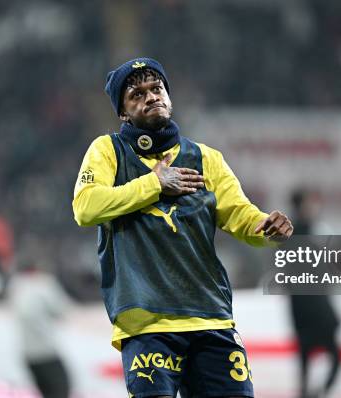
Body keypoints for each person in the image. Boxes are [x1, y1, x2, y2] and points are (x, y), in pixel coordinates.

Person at [72, 58, 293, 398]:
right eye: (136, 93)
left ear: (170, 98)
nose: (150, 96)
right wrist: (155, 184)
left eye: (156, 88)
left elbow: (240, 215)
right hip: (148, 325)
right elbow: (86, 208)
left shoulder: (206, 158)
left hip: (211, 319)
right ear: (123, 112)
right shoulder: (108, 151)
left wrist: (267, 228)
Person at [288, 189, 341, 398]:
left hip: (301, 307)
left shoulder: (290, 231)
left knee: (305, 360)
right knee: (331, 356)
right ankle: (316, 393)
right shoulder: (312, 231)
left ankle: (310, 394)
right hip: (312, 307)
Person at [8, 257, 72, 398]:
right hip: (46, 351)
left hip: (27, 354)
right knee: (62, 390)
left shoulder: (16, 286)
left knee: (46, 392)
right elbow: (61, 310)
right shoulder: (44, 284)